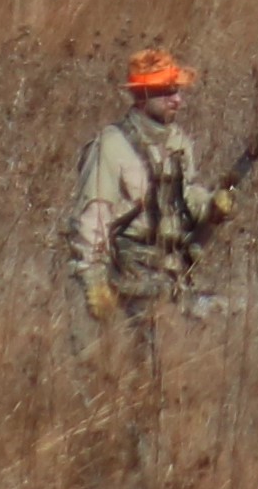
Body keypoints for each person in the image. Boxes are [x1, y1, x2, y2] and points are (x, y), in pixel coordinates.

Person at [65, 47, 235, 345]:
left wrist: (211, 206)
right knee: (137, 366)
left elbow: (183, 197)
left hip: (173, 276)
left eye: (178, 91)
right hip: (128, 282)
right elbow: (93, 220)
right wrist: (93, 282)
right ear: (142, 96)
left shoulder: (178, 141)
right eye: (167, 92)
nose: (177, 100)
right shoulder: (111, 146)